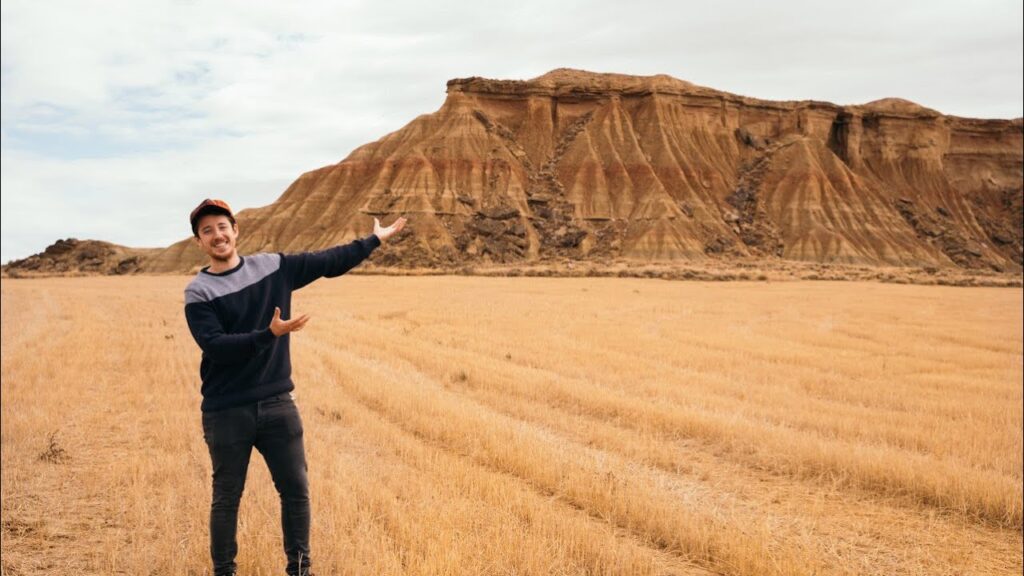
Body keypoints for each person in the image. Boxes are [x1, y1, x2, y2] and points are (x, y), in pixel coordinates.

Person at [183, 198, 407, 576]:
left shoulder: (272, 267)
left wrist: (373, 241)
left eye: (222, 226)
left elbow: (326, 262)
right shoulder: (199, 292)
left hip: (276, 402)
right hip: (226, 410)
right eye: (207, 231)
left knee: (296, 491)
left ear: (235, 230)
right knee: (226, 498)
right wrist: (267, 335)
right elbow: (215, 346)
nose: (217, 235)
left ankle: (300, 570)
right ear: (199, 242)